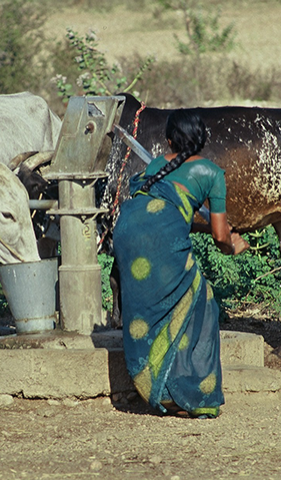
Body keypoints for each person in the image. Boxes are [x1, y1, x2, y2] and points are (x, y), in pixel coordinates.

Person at [112, 108, 249, 418]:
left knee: (154, 308)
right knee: (204, 303)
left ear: (168, 139)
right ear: (202, 139)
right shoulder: (212, 173)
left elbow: (165, 203)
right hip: (160, 237)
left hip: (127, 228)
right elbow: (219, 235)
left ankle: (155, 383)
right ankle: (191, 394)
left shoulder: (159, 163)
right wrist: (235, 245)